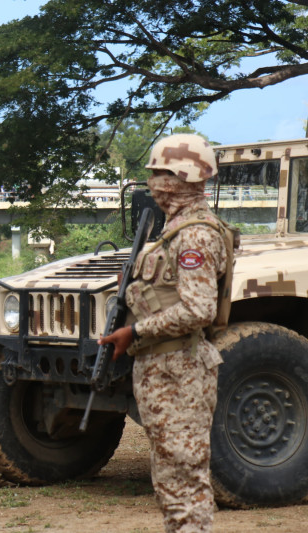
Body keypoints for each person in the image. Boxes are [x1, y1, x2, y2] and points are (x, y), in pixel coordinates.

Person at [99, 134, 229, 533]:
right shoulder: (173, 230)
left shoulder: (195, 235)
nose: (153, 182)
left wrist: (134, 330)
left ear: (182, 176)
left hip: (180, 370)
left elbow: (198, 308)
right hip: (163, 368)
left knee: (185, 484)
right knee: (171, 483)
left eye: (159, 173)